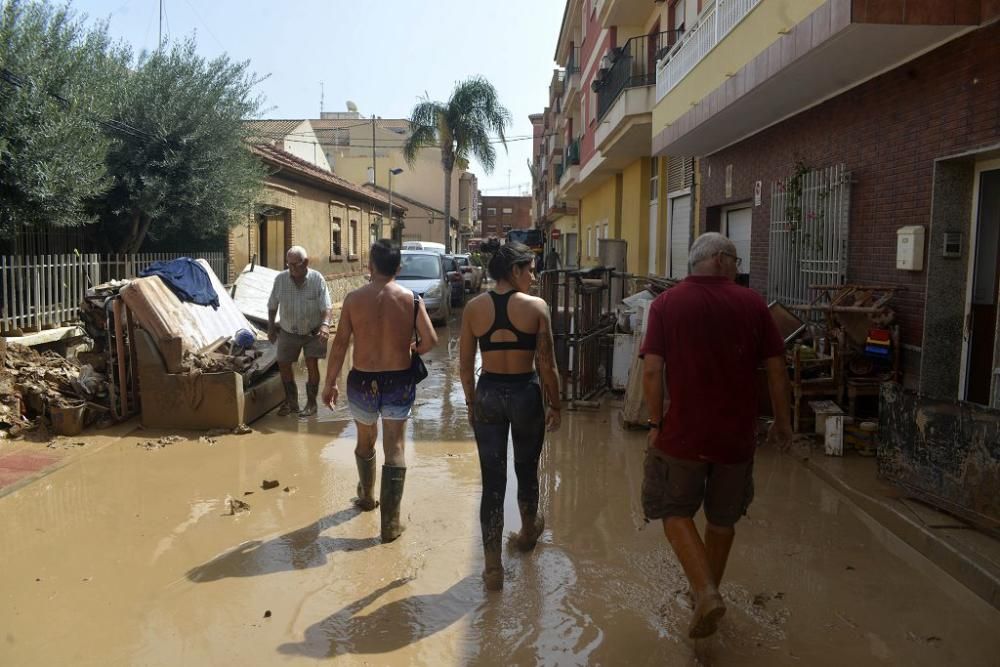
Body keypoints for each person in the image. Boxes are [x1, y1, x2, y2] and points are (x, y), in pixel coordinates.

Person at [640, 232, 792, 639]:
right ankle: (705, 593)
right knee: (722, 520)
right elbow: (777, 371)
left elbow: (652, 370)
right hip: (736, 438)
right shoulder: (753, 304)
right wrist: (783, 422)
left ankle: (705, 593)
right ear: (724, 260)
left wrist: (655, 423)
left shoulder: (666, 304)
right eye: (736, 259)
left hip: (682, 435)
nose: (738, 265)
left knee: (674, 511)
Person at [459, 242, 562, 591]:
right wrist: (557, 404)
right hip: (525, 394)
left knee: (493, 482)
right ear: (515, 271)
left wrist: (472, 403)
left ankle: (492, 569)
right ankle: (527, 534)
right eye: (530, 269)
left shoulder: (474, 308)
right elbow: (546, 364)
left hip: (488, 392)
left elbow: (463, 365)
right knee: (526, 469)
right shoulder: (536, 307)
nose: (533, 276)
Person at [322, 240, 437, 542]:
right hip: (399, 380)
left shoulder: (353, 299)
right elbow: (431, 340)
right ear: (398, 268)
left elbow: (340, 344)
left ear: (370, 267)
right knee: (395, 447)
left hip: (362, 380)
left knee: (365, 440)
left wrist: (330, 381)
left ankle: (367, 497)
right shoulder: (412, 300)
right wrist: (412, 349)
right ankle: (390, 524)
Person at [268, 246, 332, 418]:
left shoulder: (317, 279)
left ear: (306, 262)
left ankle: (311, 404)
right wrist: (271, 327)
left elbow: (326, 307)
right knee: (283, 364)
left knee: (312, 363)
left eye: (296, 265)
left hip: (313, 331)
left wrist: (325, 325)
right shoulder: (281, 279)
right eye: (289, 265)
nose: (292, 269)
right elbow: (272, 305)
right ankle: (292, 402)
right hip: (288, 330)